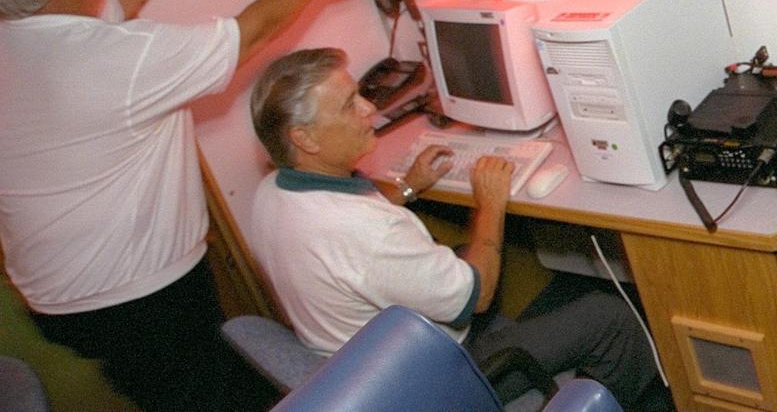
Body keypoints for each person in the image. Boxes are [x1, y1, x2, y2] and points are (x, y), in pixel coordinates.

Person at [0, 0, 363, 411]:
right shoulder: (109, 59)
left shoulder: (25, 36)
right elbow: (252, 32)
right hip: (139, 302)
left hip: (56, 298)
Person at [247, 48, 658, 406]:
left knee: (461, 250)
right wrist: (490, 203)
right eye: (348, 105)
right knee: (611, 318)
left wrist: (409, 187)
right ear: (305, 139)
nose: (369, 108)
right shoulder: (362, 231)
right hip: (429, 382)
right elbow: (476, 295)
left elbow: (353, 246)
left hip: (357, 364)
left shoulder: (272, 191)